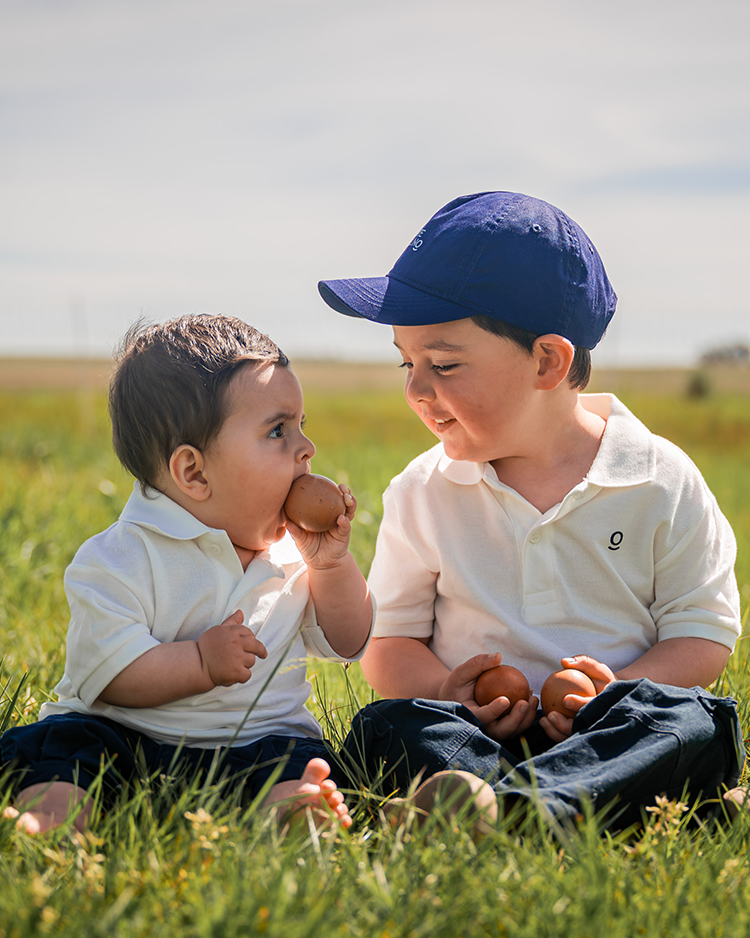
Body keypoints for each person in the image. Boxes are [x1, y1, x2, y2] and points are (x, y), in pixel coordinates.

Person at [319, 191, 745, 829]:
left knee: (695, 724)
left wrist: (618, 691)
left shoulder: (660, 478)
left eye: (443, 364)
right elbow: (390, 642)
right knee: (389, 725)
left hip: (608, 734)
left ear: (548, 360)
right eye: (407, 363)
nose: (415, 389)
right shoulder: (425, 491)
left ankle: (503, 811)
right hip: (475, 734)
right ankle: (544, 809)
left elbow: (702, 636)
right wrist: (442, 690)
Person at [0, 314, 374, 834]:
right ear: (193, 473)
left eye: (301, 426)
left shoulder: (291, 552)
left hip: (257, 743)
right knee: (69, 756)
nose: (306, 448)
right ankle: (50, 820)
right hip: (125, 735)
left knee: (293, 768)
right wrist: (200, 660)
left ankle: (297, 814)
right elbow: (109, 676)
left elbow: (349, 639)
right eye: (277, 431)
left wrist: (330, 565)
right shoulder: (122, 557)